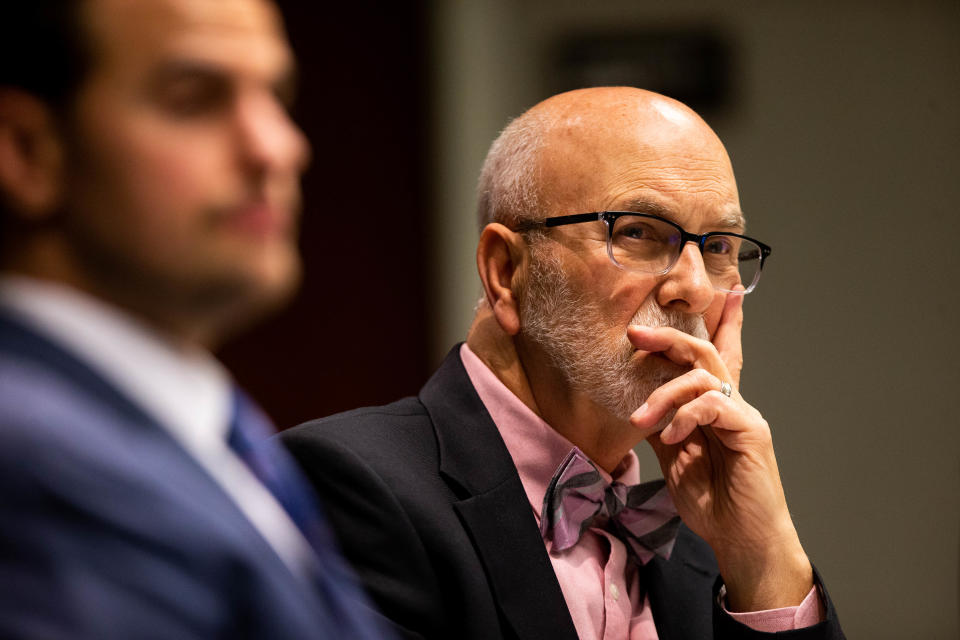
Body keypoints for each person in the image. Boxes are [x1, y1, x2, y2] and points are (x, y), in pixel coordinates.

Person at [280, 87, 846, 639]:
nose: (694, 289)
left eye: (719, 246)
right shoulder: (349, 486)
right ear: (506, 272)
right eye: (639, 232)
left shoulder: (713, 560)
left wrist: (764, 554)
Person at [0, 1, 389, 637]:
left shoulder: (207, 429)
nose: (279, 147)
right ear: (28, 150)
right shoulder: (36, 465)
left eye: (276, 97)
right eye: (194, 99)